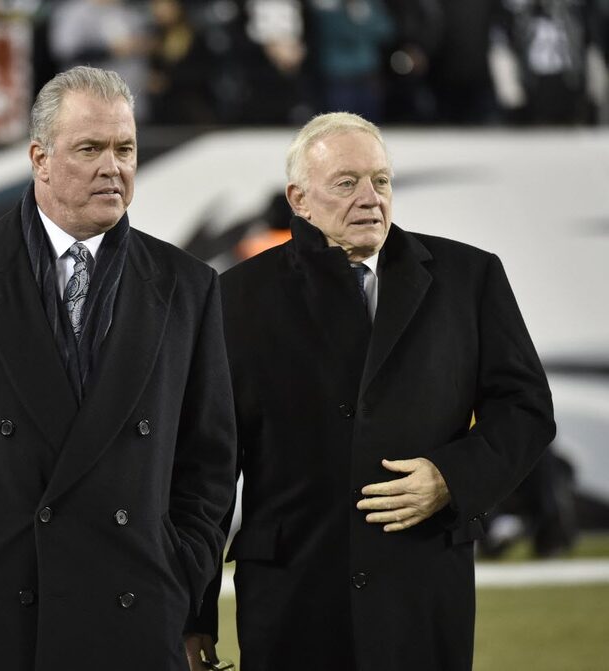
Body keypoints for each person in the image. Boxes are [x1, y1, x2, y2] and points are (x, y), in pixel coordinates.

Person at [0, 66, 236, 671]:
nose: (111, 167)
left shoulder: (189, 286)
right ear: (39, 158)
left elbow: (210, 456)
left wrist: (182, 567)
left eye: (125, 149)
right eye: (89, 149)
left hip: (137, 611)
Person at [186, 112, 555, 670]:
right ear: (299, 199)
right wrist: (194, 611)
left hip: (423, 592)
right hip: (293, 602)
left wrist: (451, 477)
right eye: (346, 182)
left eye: (381, 180)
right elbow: (207, 468)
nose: (370, 197)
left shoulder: (469, 277)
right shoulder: (235, 297)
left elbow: (525, 409)